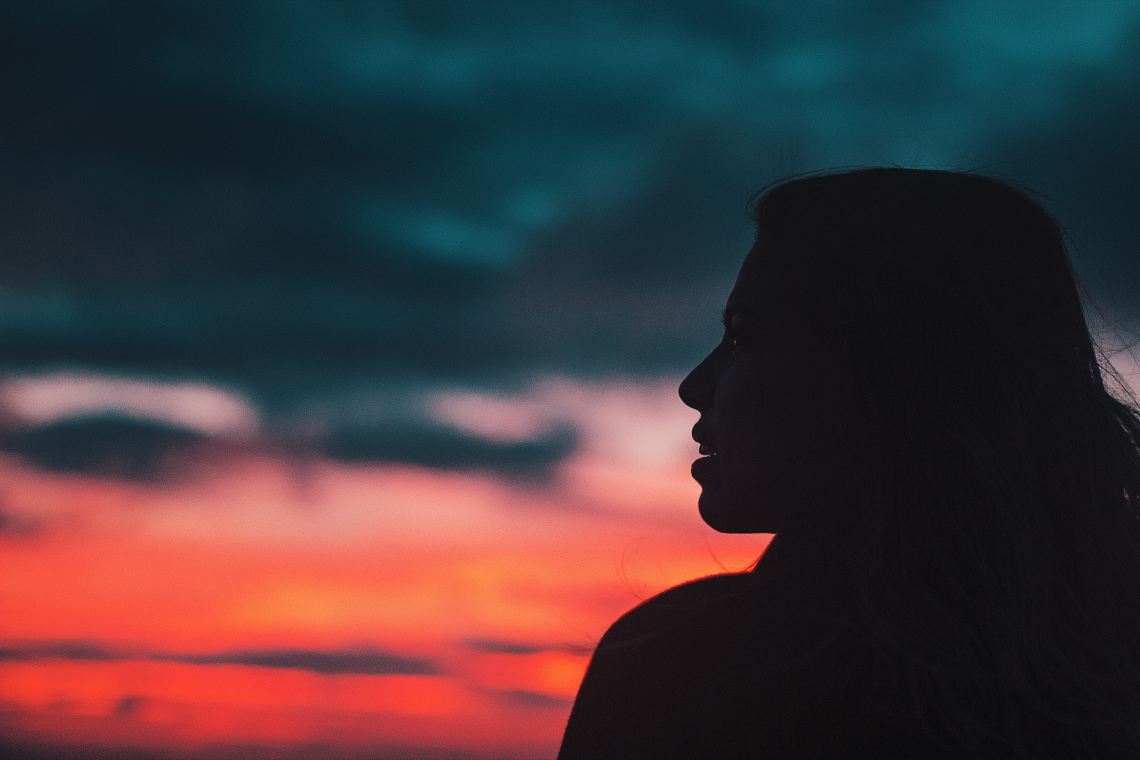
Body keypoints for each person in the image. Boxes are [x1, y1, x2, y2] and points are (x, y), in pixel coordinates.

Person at [558, 168, 1140, 758]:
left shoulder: (677, 671)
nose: (694, 386)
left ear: (896, 374)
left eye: (744, 337)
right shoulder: (1106, 661)